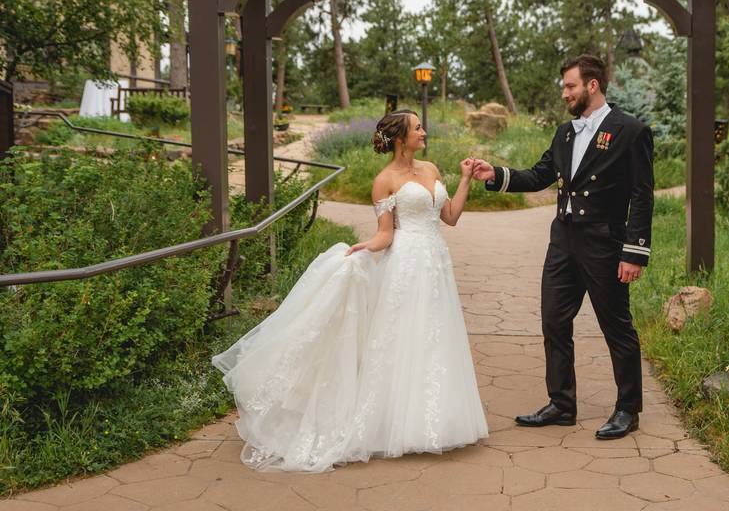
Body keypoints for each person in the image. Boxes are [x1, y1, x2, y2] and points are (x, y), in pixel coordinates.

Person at [213, 109, 488, 471]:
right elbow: (386, 233)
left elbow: (450, 216)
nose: (424, 131)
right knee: (402, 339)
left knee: (435, 338)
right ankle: (392, 424)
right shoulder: (384, 180)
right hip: (405, 265)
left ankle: (434, 421)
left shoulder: (433, 169)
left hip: (436, 262)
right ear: (401, 138)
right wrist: (362, 249)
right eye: (417, 127)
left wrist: (467, 178)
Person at [472, 54, 653, 440]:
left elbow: (642, 195)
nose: (564, 93)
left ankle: (627, 408)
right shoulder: (564, 133)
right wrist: (497, 175)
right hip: (563, 240)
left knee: (616, 327)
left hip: (605, 243)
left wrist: (634, 252)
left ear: (592, 85)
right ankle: (562, 403)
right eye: (563, 87)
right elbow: (540, 175)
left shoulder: (630, 130)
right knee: (554, 321)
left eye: (570, 86)